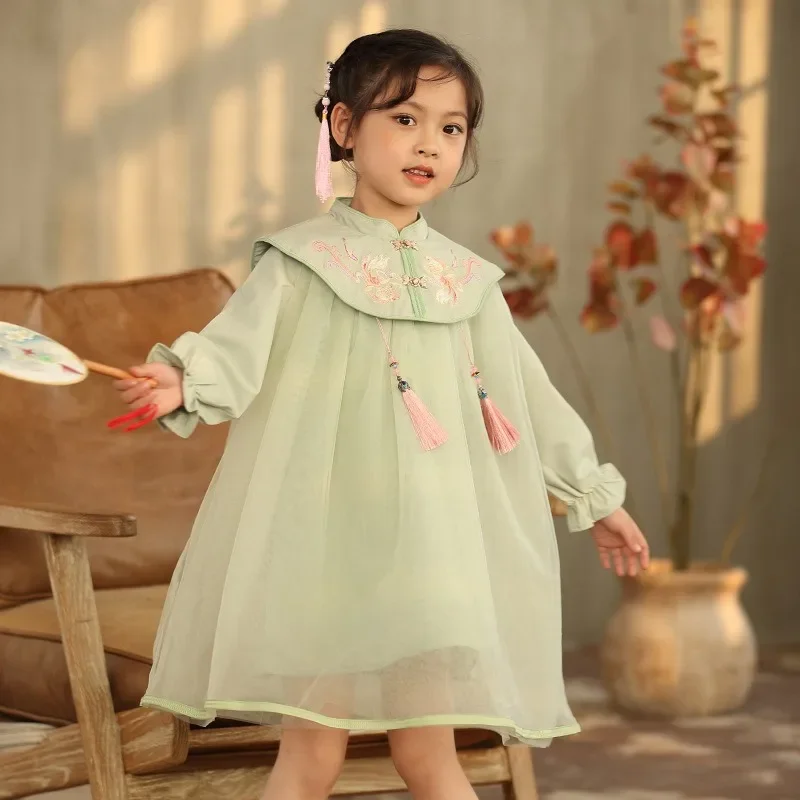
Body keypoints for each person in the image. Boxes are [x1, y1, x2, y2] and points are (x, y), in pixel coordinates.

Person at [111, 28, 649, 800]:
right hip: (328, 554)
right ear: (343, 126)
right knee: (312, 758)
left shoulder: (467, 282)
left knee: (430, 757)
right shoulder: (302, 264)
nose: (429, 143)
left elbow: (529, 401)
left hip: (433, 557)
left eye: (451, 128)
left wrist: (596, 496)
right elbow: (234, 350)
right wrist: (181, 381)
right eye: (404, 118)